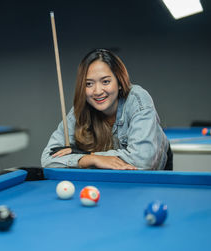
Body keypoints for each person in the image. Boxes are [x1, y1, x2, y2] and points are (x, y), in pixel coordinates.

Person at [41, 49, 172, 170]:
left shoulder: (137, 98)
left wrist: (89, 154)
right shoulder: (81, 108)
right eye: (89, 84)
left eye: (105, 82)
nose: (97, 91)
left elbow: (143, 161)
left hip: (149, 184)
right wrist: (88, 159)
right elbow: (47, 159)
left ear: (119, 82)